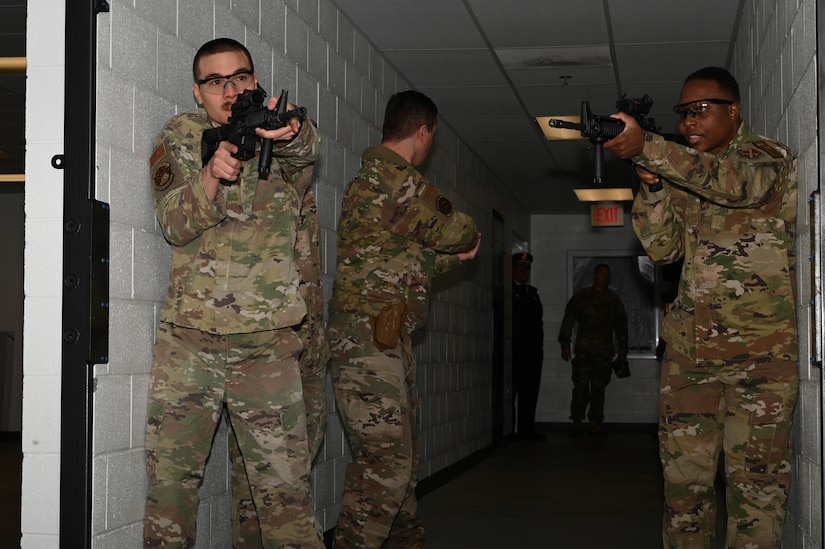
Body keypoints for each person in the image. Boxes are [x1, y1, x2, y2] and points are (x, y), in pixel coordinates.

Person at [603, 66, 799, 548]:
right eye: (683, 113)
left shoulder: (765, 158)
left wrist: (650, 147)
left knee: (754, 489)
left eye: (700, 110)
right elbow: (663, 250)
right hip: (691, 358)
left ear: (733, 112)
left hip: (761, 359)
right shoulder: (682, 172)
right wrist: (651, 185)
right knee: (683, 491)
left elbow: (733, 186)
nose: (689, 122)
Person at [143, 37, 324, 547]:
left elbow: (309, 146)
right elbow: (174, 225)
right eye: (216, 81)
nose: (230, 89)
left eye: (240, 77)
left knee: (286, 499)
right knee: (169, 492)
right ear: (197, 91)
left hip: (266, 347)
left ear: (256, 78)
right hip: (189, 344)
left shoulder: (280, 132)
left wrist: (288, 129)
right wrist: (210, 176)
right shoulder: (180, 135)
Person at [327, 90, 481, 549]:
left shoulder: (381, 187)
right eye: (431, 138)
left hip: (387, 343)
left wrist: (455, 260)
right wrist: (464, 243)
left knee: (404, 470)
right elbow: (462, 229)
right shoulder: (392, 179)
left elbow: (412, 264)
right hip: (367, 347)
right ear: (422, 132)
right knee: (387, 469)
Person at [557, 263, 628, 438]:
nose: (605, 277)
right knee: (580, 388)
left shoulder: (613, 300)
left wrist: (622, 350)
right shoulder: (582, 297)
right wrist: (565, 344)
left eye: (607, 274)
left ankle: (596, 422)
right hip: (583, 353)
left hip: (603, 353)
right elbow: (569, 320)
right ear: (594, 276)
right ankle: (577, 421)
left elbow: (621, 326)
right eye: (601, 274)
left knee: (598, 389)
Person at [511, 251, 545, 440]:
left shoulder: (532, 294)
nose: (524, 273)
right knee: (513, 390)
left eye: (527, 270)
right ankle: (511, 431)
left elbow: (537, 324)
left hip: (532, 352)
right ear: (513, 271)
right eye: (521, 269)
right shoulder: (508, 292)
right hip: (516, 352)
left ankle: (526, 430)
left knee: (530, 392)